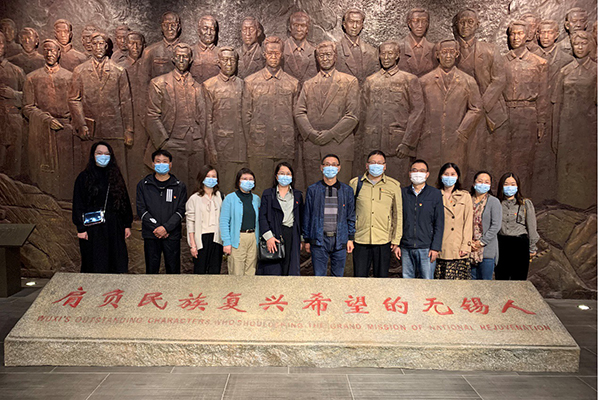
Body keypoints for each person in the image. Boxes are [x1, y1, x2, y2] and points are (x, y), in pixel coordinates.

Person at [72, 141, 132, 273]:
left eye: (106, 154)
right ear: (93, 155)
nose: (103, 156)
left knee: (116, 261)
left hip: (114, 226)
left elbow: (124, 201)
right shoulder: (84, 177)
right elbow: (78, 203)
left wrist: (127, 224)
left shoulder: (116, 176)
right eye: (99, 153)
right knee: (95, 261)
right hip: (93, 227)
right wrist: (81, 228)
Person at [350, 150, 402, 278]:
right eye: (373, 162)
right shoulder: (355, 184)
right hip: (361, 238)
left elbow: (398, 214)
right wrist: (349, 237)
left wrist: (396, 239)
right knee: (360, 278)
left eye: (379, 163)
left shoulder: (393, 185)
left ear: (385, 166)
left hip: (383, 239)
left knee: (381, 279)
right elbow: (349, 212)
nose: (376, 165)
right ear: (367, 165)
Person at [303, 154, 355, 277]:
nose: (330, 167)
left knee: (338, 277)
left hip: (340, 239)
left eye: (334, 164)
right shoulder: (313, 190)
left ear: (339, 168)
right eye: (327, 164)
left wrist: (350, 238)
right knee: (319, 277)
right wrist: (307, 239)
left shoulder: (346, 191)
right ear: (321, 167)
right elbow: (307, 216)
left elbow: (351, 216)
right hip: (319, 240)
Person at [136, 149, 187, 274]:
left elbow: (180, 210)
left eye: (165, 161)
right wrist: (156, 227)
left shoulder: (179, 186)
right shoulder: (144, 185)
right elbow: (141, 209)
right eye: (158, 161)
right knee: (151, 270)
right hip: (151, 234)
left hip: (172, 235)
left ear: (170, 164)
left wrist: (166, 228)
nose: (161, 164)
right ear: (153, 164)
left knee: (173, 270)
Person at [258, 162, 304, 276]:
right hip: (273, 234)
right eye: (282, 173)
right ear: (276, 176)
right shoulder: (268, 194)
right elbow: (262, 217)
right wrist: (269, 237)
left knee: (290, 268)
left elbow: (301, 218)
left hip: (292, 235)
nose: (285, 176)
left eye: (288, 174)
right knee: (273, 270)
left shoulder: (297, 195)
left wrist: (301, 239)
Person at [400, 159, 444, 279]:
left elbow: (439, 223)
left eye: (422, 171)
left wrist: (435, 247)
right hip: (406, 246)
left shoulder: (435, 194)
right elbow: (397, 220)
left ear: (427, 174)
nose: (418, 173)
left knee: (427, 281)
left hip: (426, 248)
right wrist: (397, 244)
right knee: (407, 281)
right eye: (414, 170)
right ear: (409, 173)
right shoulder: (402, 193)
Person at [495, 172, 539, 280]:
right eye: (506, 184)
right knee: (501, 279)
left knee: (519, 280)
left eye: (513, 184)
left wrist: (532, 247)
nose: (509, 187)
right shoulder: (496, 203)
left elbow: (532, 227)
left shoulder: (525, 203)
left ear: (517, 186)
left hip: (520, 244)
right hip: (501, 243)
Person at [434, 163, 473, 280]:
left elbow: (468, 222)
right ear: (441, 176)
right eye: (446, 174)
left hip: (458, 248)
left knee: (458, 286)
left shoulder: (465, 196)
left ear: (457, 176)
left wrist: (466, 246)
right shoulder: (435, 194)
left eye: (452, 174)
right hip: (440, 246)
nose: (449, 177)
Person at [219, 168, 261, 275]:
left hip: (253, 238)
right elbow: (224, 221)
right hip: (237, 239)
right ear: (238, 181)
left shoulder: (256, 199)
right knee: (236, 272)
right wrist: (226, 242)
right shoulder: (230, 198)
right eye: (244, 179)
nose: (248, 181)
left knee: (250, 272)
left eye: (251, 179)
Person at [185, 165, 223, 274]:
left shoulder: (220, 196)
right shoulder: (194, 198)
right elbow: (190, 223)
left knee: (215, 271)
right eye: (208, 176)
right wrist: (193, 245)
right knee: (200, 272)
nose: (211, 179)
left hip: (216, 239)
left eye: (213, 176)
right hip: (201, 239)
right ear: (202, 178)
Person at [469, 171, 502, 280]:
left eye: (486, 182)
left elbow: (496, 225)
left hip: (487, 251)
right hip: (468, 250)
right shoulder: (467, 200)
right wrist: (469, 242)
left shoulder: (494, 202)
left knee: (485, 285)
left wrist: (481, 242)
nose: (483, 184)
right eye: (480, 181)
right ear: (474, 183)